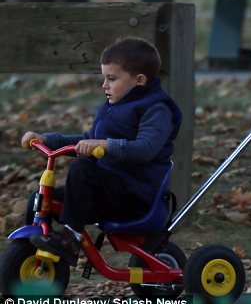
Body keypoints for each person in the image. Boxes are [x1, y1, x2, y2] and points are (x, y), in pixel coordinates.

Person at [22, 37, 181, 266]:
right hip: (108, 192)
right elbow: (87, 140)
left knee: (83, 170)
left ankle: (70, 239)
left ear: (139, 80)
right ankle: (30, 254)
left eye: (112, 79)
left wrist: (106, 145)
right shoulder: (116, 105)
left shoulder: (157, 109)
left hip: (135, 198)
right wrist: (47, 140)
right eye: (104, 78)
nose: (104, 85)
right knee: (39, 201)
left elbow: (145, 149)